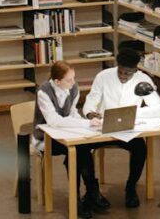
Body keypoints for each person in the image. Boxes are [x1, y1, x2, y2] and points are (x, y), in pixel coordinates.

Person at [82, 48, 160, 208]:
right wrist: (90, 114)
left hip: (127, 131)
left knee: (140, 149)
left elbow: (159, 109)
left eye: (127, 74)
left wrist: (132, 114)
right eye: (120, 72)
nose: (122, 76)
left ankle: (131, 187)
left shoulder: (143, 80)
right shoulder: (103, 76)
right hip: (102, 129)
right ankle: (92, 189)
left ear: (135, 70)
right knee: (82, 149)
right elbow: (91, 100)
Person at [34, 61, 108, 218]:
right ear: (57, 81)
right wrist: (85, 123)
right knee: (79, 149)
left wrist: (86, 125)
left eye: (73, 78)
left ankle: (84, 195)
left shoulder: (73, 89)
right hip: (46, 137)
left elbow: (72, 113)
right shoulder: (44, 92)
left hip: (67, 134)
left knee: (80, 147)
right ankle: (89, 193)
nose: (73, 83)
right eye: (69, 80)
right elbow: (54, 121)